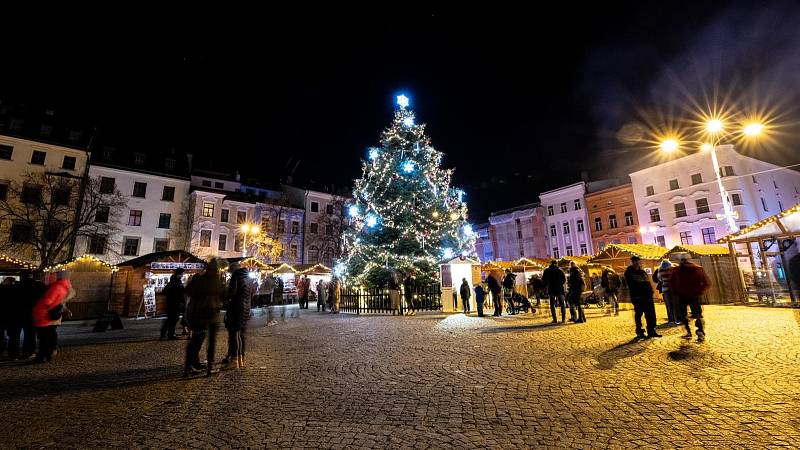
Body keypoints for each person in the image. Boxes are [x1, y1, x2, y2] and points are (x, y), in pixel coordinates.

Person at [184, 258, 226, 376]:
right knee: (211, 342)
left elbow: (188, 291)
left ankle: (189, 366)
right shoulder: (216, 280)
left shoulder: (199, 279)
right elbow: (224, 295)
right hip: (211, 314)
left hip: (197, 314)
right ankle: (209, 368)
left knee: (195, 340)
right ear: (216, 269)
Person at [31, 271, 75, 363]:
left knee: (43, 338)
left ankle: (42, 356)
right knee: (48, 335)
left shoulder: (57, 287)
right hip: (50, 315)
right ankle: (47, 354)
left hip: (44, 315)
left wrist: (38, 308)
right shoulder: (65, 287)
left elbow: (47, 301)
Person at [669, 253, 711, 342]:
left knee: (684, 315)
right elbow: (707, 283)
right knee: (697, 314)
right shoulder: (698, 269)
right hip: (693, 295)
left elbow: (671, 283)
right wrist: (700, 290)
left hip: (684, 295)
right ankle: (699, 332)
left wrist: (675, 291)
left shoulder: (677, 270)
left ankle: (691, 331)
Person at [221, 263, 253, 369]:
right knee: (241, 335)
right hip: (245, 308)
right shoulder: (247, 277)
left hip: (236, 308)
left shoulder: (236, 276)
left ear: (233, 270)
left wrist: (223, 294)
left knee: (234, 334)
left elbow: (231, 292)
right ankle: (240, 358)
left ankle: (234, 360)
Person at [624, 256, 661, 339]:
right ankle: (639, 331)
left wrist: (651, 291)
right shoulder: (629, 272)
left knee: (650, 314)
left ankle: (651, 331)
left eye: (638, 261)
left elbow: (647, 282)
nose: (637, 263)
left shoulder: (643, 272)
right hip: (637, 296)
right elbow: (636, 283)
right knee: (639, 314)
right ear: (632, 262)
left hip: (647, 296)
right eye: (635, 261)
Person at [160, 269, 185, 340]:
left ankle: (164, 334)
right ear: (179, 274)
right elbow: (181, 292)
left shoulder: (172, 281)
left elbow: (164, 291)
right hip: (175, 303)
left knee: (170, 319)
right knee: (173, 319)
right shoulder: (176, 282)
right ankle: (170, 335)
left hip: (171, 303)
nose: (183, 275)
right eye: (182, 274)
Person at [653, 260, 677, 324]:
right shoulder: (673, 269)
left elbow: (659, 278)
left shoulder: (660, 270)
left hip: (665, 289)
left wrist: (664, 280)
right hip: (673, 288)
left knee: (668, 305)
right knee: (675, 305)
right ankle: (677, 319)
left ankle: (671, 320)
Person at [0, 277, 16, 358]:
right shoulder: (16, 291)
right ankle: (12, 353)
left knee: (1, 333)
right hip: (12, 316)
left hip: (2, 315)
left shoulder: (1, 289)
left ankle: (1, 349)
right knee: (13, 335)